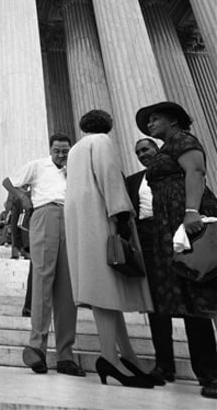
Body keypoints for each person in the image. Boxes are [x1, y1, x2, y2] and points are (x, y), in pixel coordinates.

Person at [65, 110, 154, 388]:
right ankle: (109, 358)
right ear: (108, 126)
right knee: (105, 291)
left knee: (106, 291)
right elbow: (109, 178)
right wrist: (121, 214)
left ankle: (127, 356)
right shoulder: (102, 142)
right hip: (102, 221)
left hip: (82, 224)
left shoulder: (76, 149)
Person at [135, 101, 217, 399]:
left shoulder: (183, 140)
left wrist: (191, 211)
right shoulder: (168, 145)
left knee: (197, 295)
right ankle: (202, 372)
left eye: (155, 119)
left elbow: (196, 172)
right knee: (184, 296)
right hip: (168, 226)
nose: (150, 124)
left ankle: (211, 374)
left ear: (172, 120)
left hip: (187, 222)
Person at [3, 133, 85, 377]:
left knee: (68, 287)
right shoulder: (38, 166)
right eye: (58, 150)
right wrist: (23, 198)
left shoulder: (75, 168)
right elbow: (9, 181)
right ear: (51, 149)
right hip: (45, 214)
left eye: (65, 150)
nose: (61, 154)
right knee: (42, 280)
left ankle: (65, 355)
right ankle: (37, 347)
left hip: (71, 217)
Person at [126, 138, 176, 385]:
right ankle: (164, 365)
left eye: (146, 149)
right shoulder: (134, 181)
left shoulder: (177, 173)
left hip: (175, 234)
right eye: (138, 152)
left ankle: (208, 371)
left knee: (191, 303)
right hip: (146, 237)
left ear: (158, 149)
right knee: (157, 304)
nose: (142, 154)